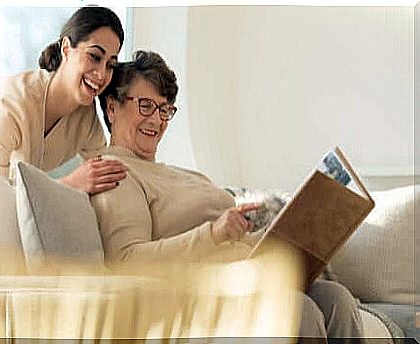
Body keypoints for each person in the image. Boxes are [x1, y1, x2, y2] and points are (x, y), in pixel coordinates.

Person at [92, 50, 365, 341]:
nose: (157, 120)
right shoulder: (115, 172)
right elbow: (127, 259)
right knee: (297, 309)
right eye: (146, 106)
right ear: (112, 108)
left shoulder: (187, 175)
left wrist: (284, 236)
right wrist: (214, 233)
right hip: (197, 296)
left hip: (248, 275)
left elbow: (234, 241)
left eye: (164, 110)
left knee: (337, 299)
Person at [0, 6, 127, 195]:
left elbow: (108, 177)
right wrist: (69, 184)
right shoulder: (10, 105)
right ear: (66, 48)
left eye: (110, 65)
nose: (102, 74)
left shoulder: (86, 121)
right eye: (94, 56)